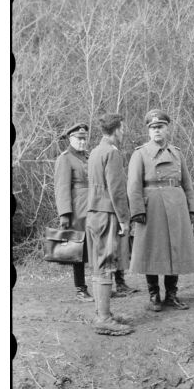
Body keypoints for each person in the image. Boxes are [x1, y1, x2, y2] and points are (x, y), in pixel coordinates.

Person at [127, 109, 194, 311]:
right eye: (153, 128)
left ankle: (171, 295)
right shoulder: (140, 154)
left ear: (167, 128)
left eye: (160, 127)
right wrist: (137, 210)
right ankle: (154, 296)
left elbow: (187, 183)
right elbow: (133, 185)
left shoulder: (177, 153)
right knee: (152, 250)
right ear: (148, 131)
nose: (157, 131)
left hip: (176, 204)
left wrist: (191, 209)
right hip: (152, 206)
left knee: (174, 249)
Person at [86, 114, 133, 335]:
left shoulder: (95, 151)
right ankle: (104, 319)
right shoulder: (112, 153)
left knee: (98, 263)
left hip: (93, 213)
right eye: (122, 129)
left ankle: (101, 313)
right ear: (116, 130)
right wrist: (124, 219)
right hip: (106, 214)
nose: (124, 133)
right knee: (106, 263)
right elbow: (117, 191)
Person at [54, 122, 94, 302]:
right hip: (77, 210)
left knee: (93, 248)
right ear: (70, 138)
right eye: (79, 138)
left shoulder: (88, 157)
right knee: (77, 250)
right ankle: (80, 289)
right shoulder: (65, 158)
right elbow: (61, 188)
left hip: (93, 208)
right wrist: (64, 214)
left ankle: (102, 285)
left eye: (84, 138)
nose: (82, 141)